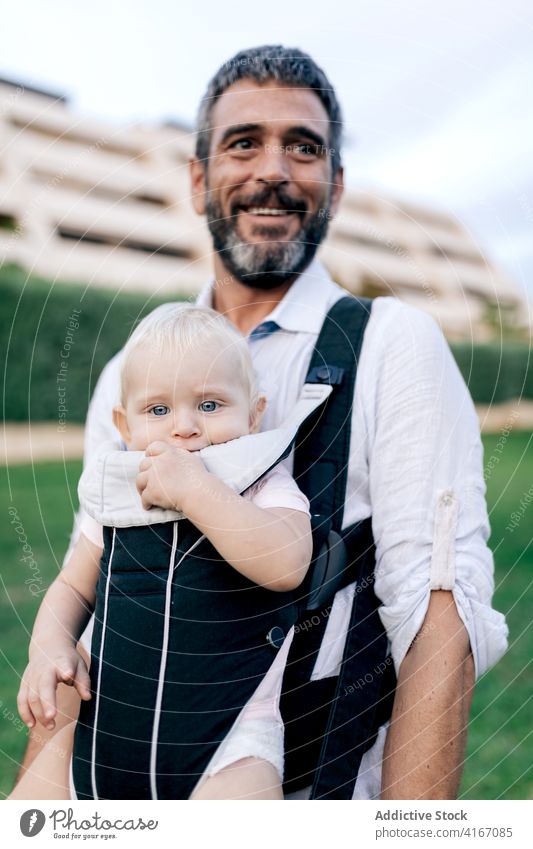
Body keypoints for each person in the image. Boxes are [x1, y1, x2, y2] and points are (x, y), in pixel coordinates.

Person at [13, 44, 508, 800]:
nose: (272, 169)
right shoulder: (128, 372)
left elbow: (438, 608)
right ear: (197, 177)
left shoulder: (388, 342)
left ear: (334, 185)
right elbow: (95, 599)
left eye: (302, 147)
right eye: (243, 142)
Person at [12, 304, 313, 800]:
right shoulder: (116, 496)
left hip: (228, 741)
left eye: (211, 405)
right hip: (104, 732)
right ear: (123, 426)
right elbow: (72, 585)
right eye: (158, 410)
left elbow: (286, 565)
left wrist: (196, 491)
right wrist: (48, 645)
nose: (185, 428)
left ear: (254, 414)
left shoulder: (261, 484)